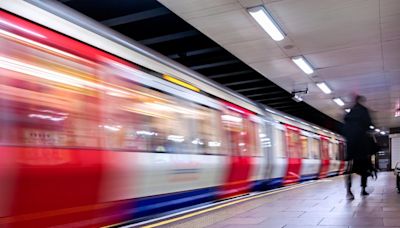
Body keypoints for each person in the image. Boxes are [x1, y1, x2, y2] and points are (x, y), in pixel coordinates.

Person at [342, 95, 373, 199]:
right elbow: (369, 125)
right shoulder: (364, 111)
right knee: (364, 169)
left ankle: (348, 191)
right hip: (361, 145)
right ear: (361, 101)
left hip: (351, 146)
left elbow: (344, 128)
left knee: (349, 169)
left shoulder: (349, 114)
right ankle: (363, 189)